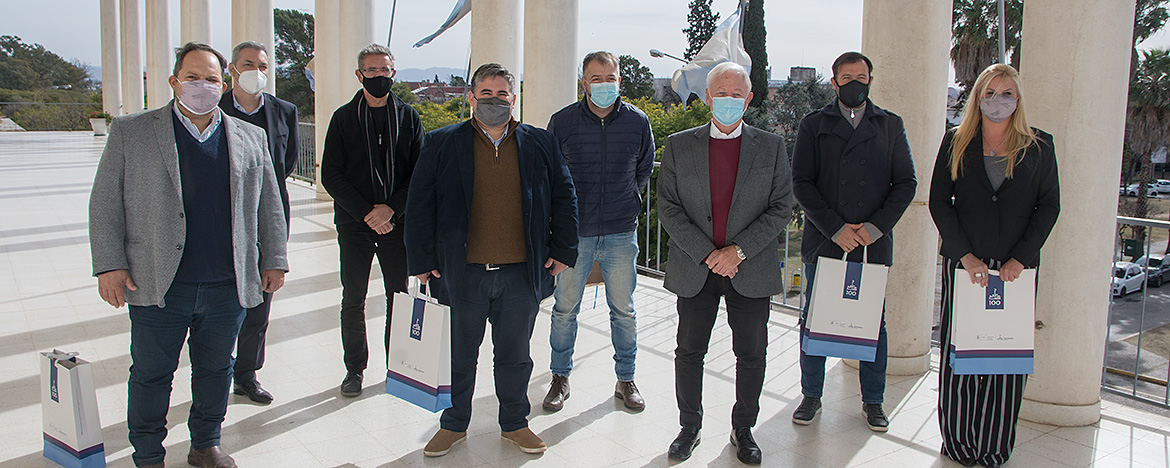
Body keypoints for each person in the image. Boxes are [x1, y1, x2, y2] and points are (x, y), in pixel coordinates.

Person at [89, 42, 288, 468]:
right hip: (158, 282)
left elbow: (270, 203)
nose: (203, 86)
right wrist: (109, 264)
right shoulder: (132, 131)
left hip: (227, 283)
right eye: (193, 77)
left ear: (225, 83)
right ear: (174, 82)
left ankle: (205, 444)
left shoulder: (249, 136)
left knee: (216, 369)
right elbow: (105, 203)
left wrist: (274, 259)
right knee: (151, 374)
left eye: (212, 79)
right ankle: (147, 453)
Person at [405, 63, 578, 457]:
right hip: (461, 274)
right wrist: (420, 259)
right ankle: (453, 425)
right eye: (487, 93)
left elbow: (564, 197)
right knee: (459, 356)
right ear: (471, 97)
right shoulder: (441, 143)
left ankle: (515, 423)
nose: (495, 101)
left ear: (514, 99)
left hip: (521, 274)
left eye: (503, 94)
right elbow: (419, 206)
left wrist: (563, 250)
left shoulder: (540, 143)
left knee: (515, 356)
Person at [657, 62, 792, 465]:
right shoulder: (680, 144)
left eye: (738, 94)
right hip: (694, 268)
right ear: (708, 97)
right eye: (722, 93)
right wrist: (707, 253)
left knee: (751, 354)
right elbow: (669, 208)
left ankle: (744, 429)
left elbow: (781, 207)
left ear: (749, 99)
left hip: (749, 270)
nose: (729, 100)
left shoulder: (771, 146)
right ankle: (689, 426)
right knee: (688, 351)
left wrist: (737, 252)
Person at [929, 63, 1059, 468]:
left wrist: (1021, 258)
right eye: (990, 92)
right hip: (966, 269)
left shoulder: (1040, 146)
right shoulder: (955, 142)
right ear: (978, 97)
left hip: (1015, 273)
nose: (998, 100)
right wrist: (963, 254)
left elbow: (1049, 206)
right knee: (960, 355)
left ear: (1017, 99)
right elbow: (939, 202)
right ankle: (957, 442)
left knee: (1005, 361)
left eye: (1006, 93)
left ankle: (994, 447)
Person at [790, 51, 917, 432]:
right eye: (847, 78)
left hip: (872, 244)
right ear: (834, 82)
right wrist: (836, 228)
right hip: (827, 241)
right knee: (815, 319)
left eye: (861, 77)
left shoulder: (890, 125)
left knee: (872, 324)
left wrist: (873, 228)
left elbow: (906, 182)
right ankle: (811, 394)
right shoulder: (814, 124)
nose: (855, 84)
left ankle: (873, 401)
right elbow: (801, 183)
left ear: (870, 80)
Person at [543, 51, 655, 412]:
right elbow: (551, 177)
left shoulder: (638, 121)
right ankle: (560, 377)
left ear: (619, 80)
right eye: (596, 78)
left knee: (623, 309)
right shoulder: (562, 122)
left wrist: (624, 201)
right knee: (564, 309)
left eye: (610, 78)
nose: (604, 84)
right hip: (575, 235)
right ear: (584, 83)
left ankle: (626, 379)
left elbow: (642, 171)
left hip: (621, 232)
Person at [321, 44, 425, 398]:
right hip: (354, 224)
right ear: (359, 74)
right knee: (354, 298)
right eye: (371, 70)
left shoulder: (409, 118)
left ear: (393, 74)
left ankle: (397, 367)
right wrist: (368, 213)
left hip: (397, 225)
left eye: (385, 70)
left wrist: (391, 210)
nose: (379, 76)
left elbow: (420, 174)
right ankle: (355, 369)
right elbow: (331, 175)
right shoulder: (342, 118)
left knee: (399, 297)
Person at [218, 40, 300, 405]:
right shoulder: (212, 109)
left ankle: (247, 374)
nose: (257, 71)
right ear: (232, 69)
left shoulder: (284, 111)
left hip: (268, 219)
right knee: (220, 301)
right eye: (249, 64)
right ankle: (215, 371)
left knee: (260, 303)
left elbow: (289, 162)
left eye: (264, 65)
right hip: (220, 220)